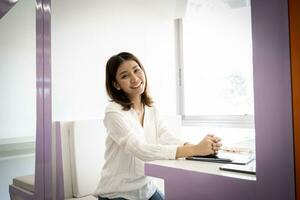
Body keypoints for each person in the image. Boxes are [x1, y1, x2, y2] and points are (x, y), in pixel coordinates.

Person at [94, 52, 222, 200]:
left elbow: (165, 136)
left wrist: (198, 148)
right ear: (116, 84)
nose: (135, 78)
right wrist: (194, 150)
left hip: (147, 188)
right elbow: (140, 149)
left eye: (136, 70)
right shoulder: (113, 112)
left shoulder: (150, 108)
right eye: (125, 76)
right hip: (118, 192)